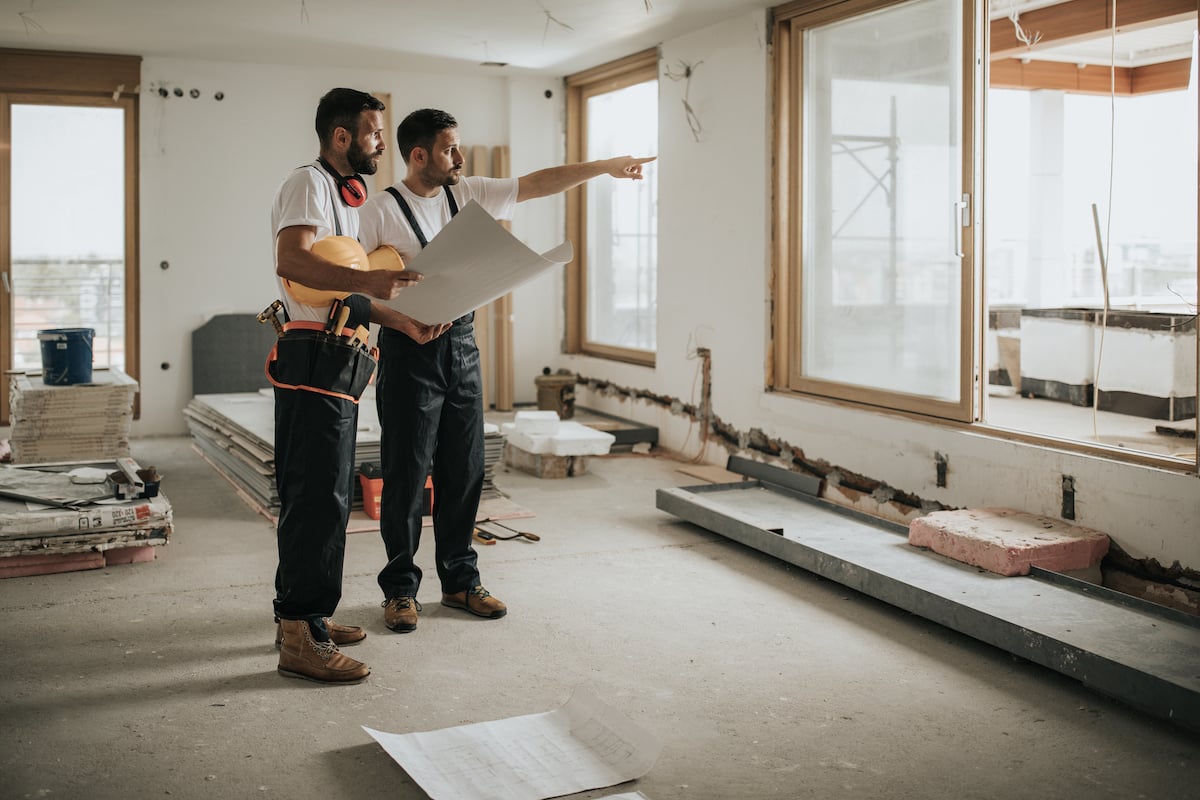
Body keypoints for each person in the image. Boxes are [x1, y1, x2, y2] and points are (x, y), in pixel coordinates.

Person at [357, 107, 654, 633]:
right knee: (406, 475)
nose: (460, 157)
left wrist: (606, 165)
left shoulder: (465, 193)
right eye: (450, 148)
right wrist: (399, 323)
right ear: (419, 154)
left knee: (465, 469)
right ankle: (401, 591)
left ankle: (459, 582)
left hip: (463, 346)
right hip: (408, 350)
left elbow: (536, 184)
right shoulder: (378, 210)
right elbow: (356, 286)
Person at [269, 88, 420, 683]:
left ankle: (306, 619)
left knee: (327, 497)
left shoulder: (342, 198)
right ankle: (302, 633)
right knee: (316, 499)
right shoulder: (308, 182)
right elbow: (296, 264)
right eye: (374, 132)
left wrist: (402, 318)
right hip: (314, 352)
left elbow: (346, 289)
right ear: (341, 136)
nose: (381, 142)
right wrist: (379, 286)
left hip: (339, 349)